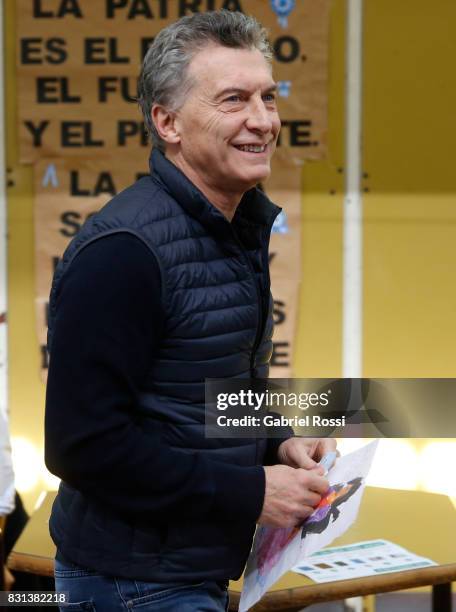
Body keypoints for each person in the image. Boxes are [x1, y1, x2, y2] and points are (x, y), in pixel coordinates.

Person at [44, 10, 336, 611]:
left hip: (188, 570)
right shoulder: (123, 253)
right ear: (167, 122)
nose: (262, 120)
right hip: (132, 584)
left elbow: (193, 392)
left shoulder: (232, 225)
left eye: (267, 97)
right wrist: (250, 490)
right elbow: (81, 446)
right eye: (233, 100)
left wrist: (274, 442)